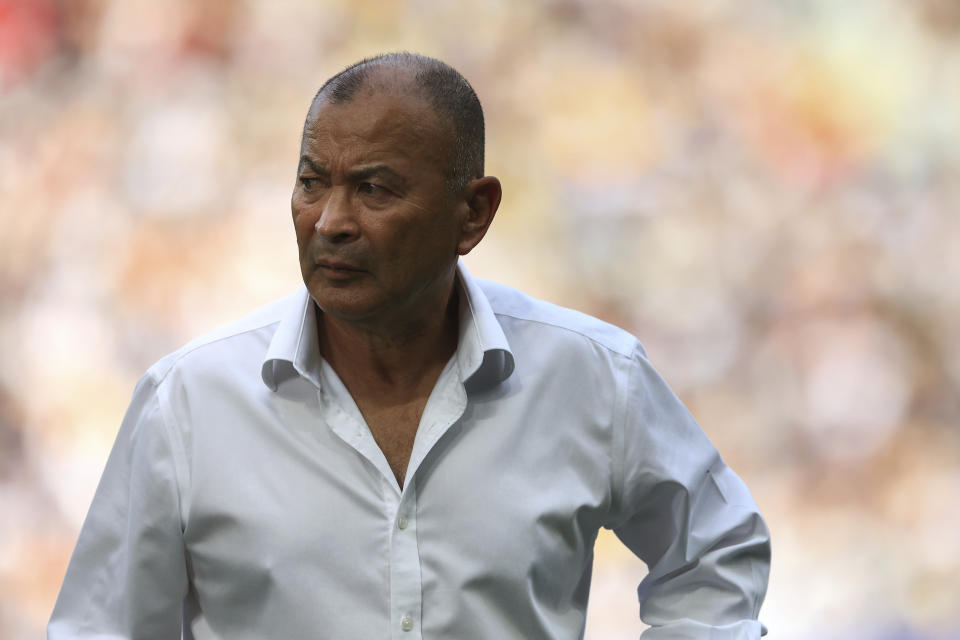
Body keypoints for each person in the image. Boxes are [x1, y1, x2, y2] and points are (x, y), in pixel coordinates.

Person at [49, 53, 770, 639]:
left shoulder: (592, 377)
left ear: (473, 213)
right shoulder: (189, 402)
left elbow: (714, 557)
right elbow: (99, 627)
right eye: (311, 182)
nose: (330, 220)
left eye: (375, 189)